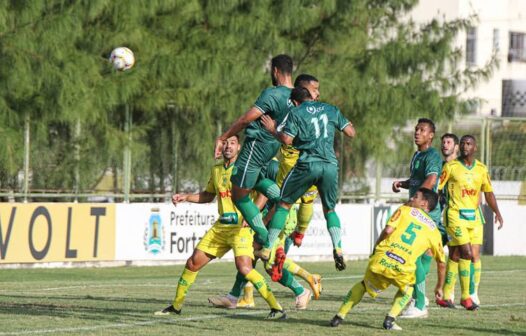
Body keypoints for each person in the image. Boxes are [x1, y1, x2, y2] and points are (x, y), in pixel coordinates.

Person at [155, 135, 286, 319]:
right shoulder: (216, 170)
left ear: (239, 147)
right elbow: (208, 196)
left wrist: (252, 213)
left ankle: (276, 308)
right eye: (225, 143)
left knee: (244, 268)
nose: (228, 146)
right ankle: (176, 306)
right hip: (221, 227)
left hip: (240, 228)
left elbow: (264, 194)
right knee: (193, 263)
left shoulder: (246, 169)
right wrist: (186, 196)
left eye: (232, 143)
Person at [261, 86, 356, 272]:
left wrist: (273, 130)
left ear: (295, 101)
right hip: (329, 165)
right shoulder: (331, 109)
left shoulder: (296, 112)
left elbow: (287, 140)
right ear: (310, 97)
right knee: (329, 209)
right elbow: (351, 132)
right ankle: (337, 247)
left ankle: (267, 247)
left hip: (307, 164)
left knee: (283, 205)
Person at [329, 188, 446, 331]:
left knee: (364, 286)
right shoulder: (434, 230)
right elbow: (441, 262)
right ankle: (390, 320)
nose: (411, 199)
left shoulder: (404, 210)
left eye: (415, 197)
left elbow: (388, 231)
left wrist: (376, 247)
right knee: (408, 290)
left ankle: (338, 317)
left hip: (383, 258)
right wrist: (439, 287)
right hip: (402, 267)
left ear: (424, 203)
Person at [214, 55, 294, 260]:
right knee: (258, 183)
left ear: (275, 71)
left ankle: (265, 238)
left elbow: (245, 119)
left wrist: (223, 137)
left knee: (238, 194)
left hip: (254, 150)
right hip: (270, 150)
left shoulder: (272, 94)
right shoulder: (296, 98)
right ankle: (280, 198)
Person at [436, 135, 504, 310]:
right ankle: (466, 297)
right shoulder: (450, 167)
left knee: (458, 255)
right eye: (463, 143)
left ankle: (446, 294)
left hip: (474, 218)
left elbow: (488, 193)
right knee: (466, 253)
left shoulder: (481, 169)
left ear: (475, 148)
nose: (465, 146)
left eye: (469, 144)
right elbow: (437, 189)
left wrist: (497, 212)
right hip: (455, 216)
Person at [392, 118, 442, 318]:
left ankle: (420, 304)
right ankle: (419, 297)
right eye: (416, 129)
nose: (417, 132)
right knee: (419, 258)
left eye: (422, 130)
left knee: (411, 256)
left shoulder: (432, 155)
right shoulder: (417, 155)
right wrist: (402, 184)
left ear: (431, 135)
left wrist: (417, 198)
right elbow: (417, 180)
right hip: (418, 209)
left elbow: (431, 179)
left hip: (426, 211)